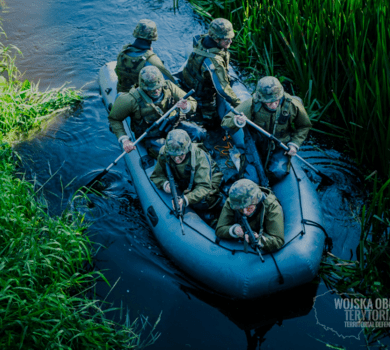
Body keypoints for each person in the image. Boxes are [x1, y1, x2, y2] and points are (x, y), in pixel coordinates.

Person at [221, 76, 312, 181]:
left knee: (278, 172)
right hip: (256, 146)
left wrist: (294, 144)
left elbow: (304, 126)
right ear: (261, 98)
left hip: (280, 146)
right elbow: (225, 122)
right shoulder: (252, 105)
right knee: (251, 178)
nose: (273, 105)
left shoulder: (292, 105)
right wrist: (237, 121)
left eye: (276, 101)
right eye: (269, 102)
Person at [108, 66, 203, 157]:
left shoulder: (169, 86)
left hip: (172, 124)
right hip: (151, 135)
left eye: (158, 87)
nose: (156, 91)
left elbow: (192, 102)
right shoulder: (130, 99)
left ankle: (195, 154)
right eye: (152, 89)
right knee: (170, 153)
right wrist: (124, 139)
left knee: (197, 132)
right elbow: (114, 119)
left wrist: (186, 107)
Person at [182, 18, 241, 124]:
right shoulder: (215, 63)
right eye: (226, 39)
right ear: (216, 39)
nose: (230, 41)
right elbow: (223, 89)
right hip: (202, 92)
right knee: (212, 121)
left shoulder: (202, 39)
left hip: (190, 78)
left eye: (231, 38)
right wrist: (239, 104)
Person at [151, 129, 223, 212]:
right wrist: (165, 184)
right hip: (186, 178)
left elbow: (204, 186)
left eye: (181, 155)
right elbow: (156, 175)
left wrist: (186, 199)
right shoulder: (165, 153)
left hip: (208, 177)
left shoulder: (199, 157)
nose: (177, 159)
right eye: (173, 156)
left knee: (204, 201)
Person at [215, 179, 284, 252]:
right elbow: (219, 229)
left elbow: (278, 240)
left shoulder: (271, 206)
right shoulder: (234, 202)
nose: (245, 212)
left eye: (249, 207)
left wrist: (259, 240)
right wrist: (234, 230)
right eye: (240, 209)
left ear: (256, 201)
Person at [115, 19, 175, 93]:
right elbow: (170, 82)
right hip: (138, 97)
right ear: (153, 36)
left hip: (122, 92)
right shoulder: (152, 60)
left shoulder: (123, 51)